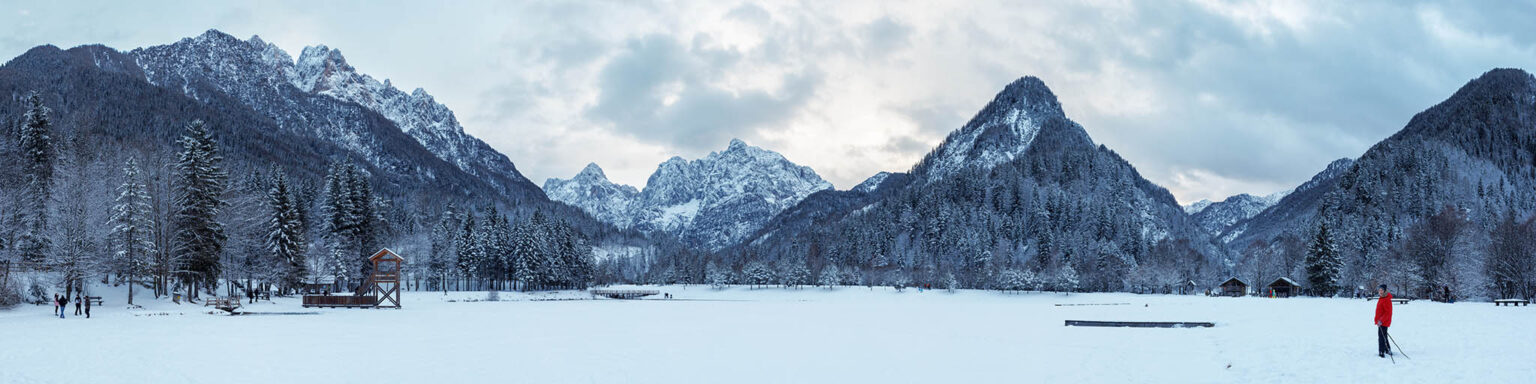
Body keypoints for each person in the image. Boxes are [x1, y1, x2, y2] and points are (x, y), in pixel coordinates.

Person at [1375, 284, 1393, 358]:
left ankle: (1381, 351)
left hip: (1384, 322)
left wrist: (1381, 321)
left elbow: (1388, 312)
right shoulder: (1382, 298)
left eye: (1381, 290)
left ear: (1385, 291)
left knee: (1381, 337)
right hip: (1381, 321)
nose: (1380, 291)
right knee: (1384, 335)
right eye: (1379, 290)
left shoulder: (1386, 299)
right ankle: (1387, 349)